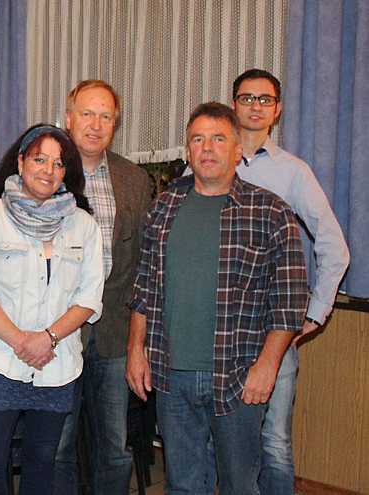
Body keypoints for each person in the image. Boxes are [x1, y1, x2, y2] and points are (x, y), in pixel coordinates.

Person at [126, 102, 308, 494]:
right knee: (183, 484)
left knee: (240, 484)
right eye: (198, 139)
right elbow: (144, 288)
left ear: (238, 149)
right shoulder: (163, 209)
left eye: (219, 139)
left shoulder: (271, 212)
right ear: (188, 150)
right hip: (171, 375)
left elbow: (289, 302)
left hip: (239, 376)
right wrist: (135, 350)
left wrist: (267, 367)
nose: (207, 148)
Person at [0, 124, 105, 495]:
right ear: (21, 162)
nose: (48, 170)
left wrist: (48, 338)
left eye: (58, 164)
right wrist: (22, 341)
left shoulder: (83, 225)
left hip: (57, 363)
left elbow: (90, 297)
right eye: (40, 159)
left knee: (42, 464)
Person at [229, 69, 350, 494]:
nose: (255, 106)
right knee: (217, 439)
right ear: (234, 104)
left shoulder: (293, 172)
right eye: (247, 98)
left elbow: (334, 246)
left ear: (277, 109)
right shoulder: (210, 161)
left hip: (272, 328)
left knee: (274, 441)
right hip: (217, 327)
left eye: (265, 99)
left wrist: (314, 315)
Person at [53, 80, 154, 494]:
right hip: (57, 331)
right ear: (68, 118)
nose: (95, 125)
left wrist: (139, 341)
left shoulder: (134, 179)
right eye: (87, 114)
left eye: (106, 117)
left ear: (116, 124)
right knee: (57, 443)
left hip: (113, 332)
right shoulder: (46, 170)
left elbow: (144, 263)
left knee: (114, 445)